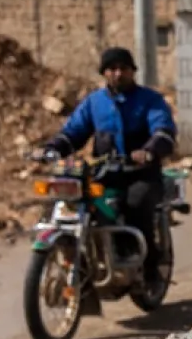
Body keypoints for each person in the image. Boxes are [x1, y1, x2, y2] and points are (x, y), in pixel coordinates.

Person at [43, 47, 177, 284]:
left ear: (132, 71)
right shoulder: (94, 102)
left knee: (135, 204)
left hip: (142, 174)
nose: (118, 74)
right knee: (71, 202)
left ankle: (149, 266)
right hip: (105, 173)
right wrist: (53, 148)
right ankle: (77, 259)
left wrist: (149, 151)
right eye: (112, 69)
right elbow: (74, 132)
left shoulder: (150, 100)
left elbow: (164, 130)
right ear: (104, 73)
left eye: (123, 69)